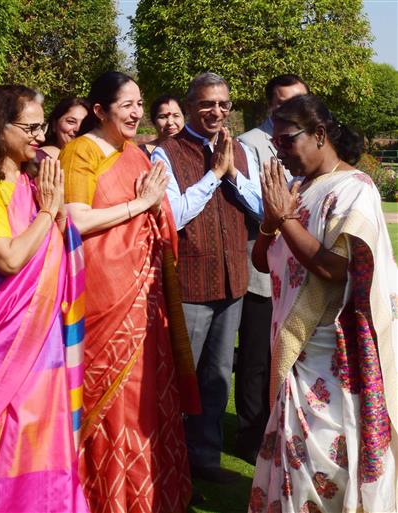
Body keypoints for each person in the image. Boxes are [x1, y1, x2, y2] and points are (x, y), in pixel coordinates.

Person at [250, 94, 398, 513]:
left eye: (287, 141)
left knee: (323, 465)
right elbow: (264, 259)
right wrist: (270, 221)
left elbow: (335, 269)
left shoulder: (355, 189)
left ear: (318, 134)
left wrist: (286, 220)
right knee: (293, 463)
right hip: (293, 349)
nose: (280, 152)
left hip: (330, 354)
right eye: (274, 143)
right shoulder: (298, 189)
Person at [60, 71, 198, 513]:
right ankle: (103, 496)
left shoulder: (138, 155)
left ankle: (150, 493)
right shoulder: (80, 153)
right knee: (110, 396)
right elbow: (75, 220)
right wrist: (140, 205)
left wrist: (156, 210)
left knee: (147, 392)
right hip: (104, 293)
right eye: (127, 105)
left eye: (140, 104)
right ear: (100, 111)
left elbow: (160, 219)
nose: (138, 113)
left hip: (145, 297)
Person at [0, 85, 88, 512]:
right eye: (29, 127)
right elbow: (7, 258)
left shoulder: (31, 181)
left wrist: (56, 213)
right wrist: (49, 212)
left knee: (42, 438)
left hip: (41, 338)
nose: (38, 134)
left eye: (40, 126)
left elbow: (55, 247)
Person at [150, 72, 263, 483]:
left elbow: (264, 211)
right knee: (184, 379)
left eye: (223, 104)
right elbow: (173, 215)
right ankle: (170, 459)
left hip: (233, 280)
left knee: (216, 380)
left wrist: (231, 174)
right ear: (191, 105)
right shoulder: (166, 152)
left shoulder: (240, 153)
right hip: (190, 283)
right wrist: (213, 176)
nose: (216, 111)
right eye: (207, 104)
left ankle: (205, 459)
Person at [234, 74, 309, 464]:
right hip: (264, 265)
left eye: (299, 100)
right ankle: (250, 435)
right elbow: (260, 205)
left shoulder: (311, 142)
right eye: (283, 104)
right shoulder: (250, 144)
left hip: (301, 270)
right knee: (256, 358)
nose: (291, 109)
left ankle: (282, 430)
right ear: (270, 107)